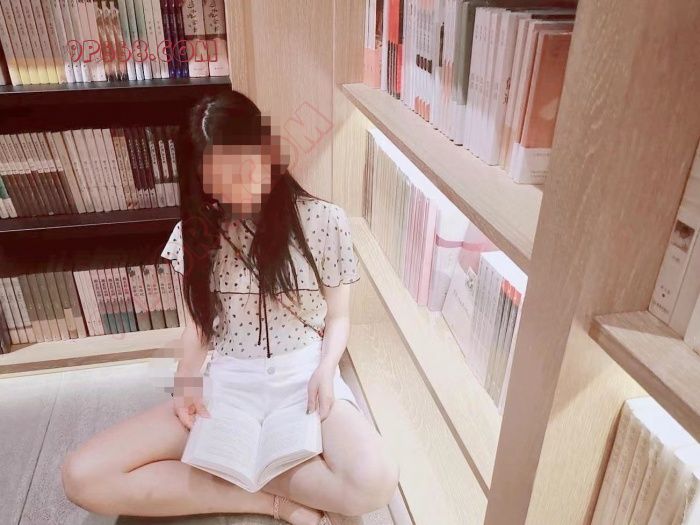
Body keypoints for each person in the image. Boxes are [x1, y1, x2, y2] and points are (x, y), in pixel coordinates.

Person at [60, 91, 399, 525]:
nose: (240, 191)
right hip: (227, 386)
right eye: (220, 182)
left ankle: (231, 470)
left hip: (303, 380)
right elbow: (198, 328)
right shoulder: (195, 234)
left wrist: (326, 368)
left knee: (375, 481)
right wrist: (186, 382)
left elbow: (339, 316)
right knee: (82, 476)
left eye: (245, 171)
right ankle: (272, 500)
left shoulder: (323, 220)